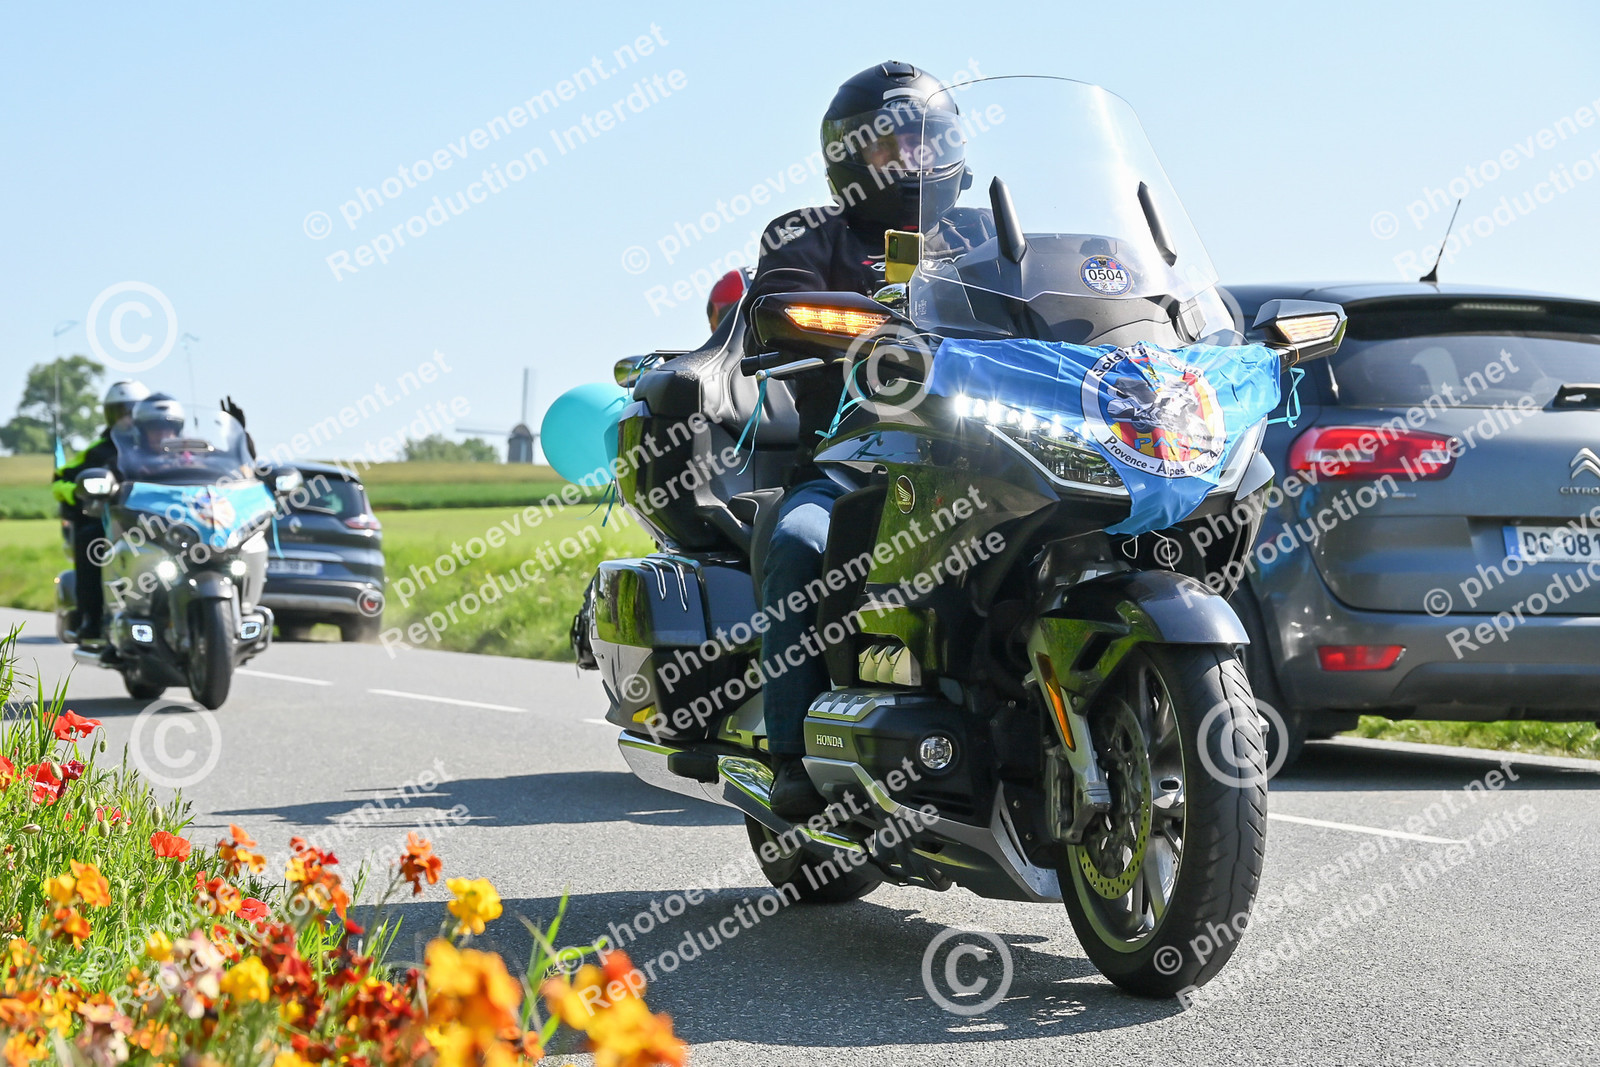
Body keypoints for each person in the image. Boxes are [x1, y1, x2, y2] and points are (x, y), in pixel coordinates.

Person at [745, 61, 978, 817]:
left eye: (927, 142)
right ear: (850, 156)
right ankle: (791, 754)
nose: (912, 161)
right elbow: (774, 304)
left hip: (984, 458)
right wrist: (830, 319)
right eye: (890, 146)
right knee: (801, 543)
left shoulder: (988, 236)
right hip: (853, 463)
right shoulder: (810, 234)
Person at [51, 380, 149, 643]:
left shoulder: (159, 445)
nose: (126, 419)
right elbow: (60, 479)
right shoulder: (97, 451)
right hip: (115, 521)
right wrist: (77, 492)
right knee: (90, 540)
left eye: (131, 412)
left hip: (157, 520)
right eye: (119, 412)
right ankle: (92, 619)